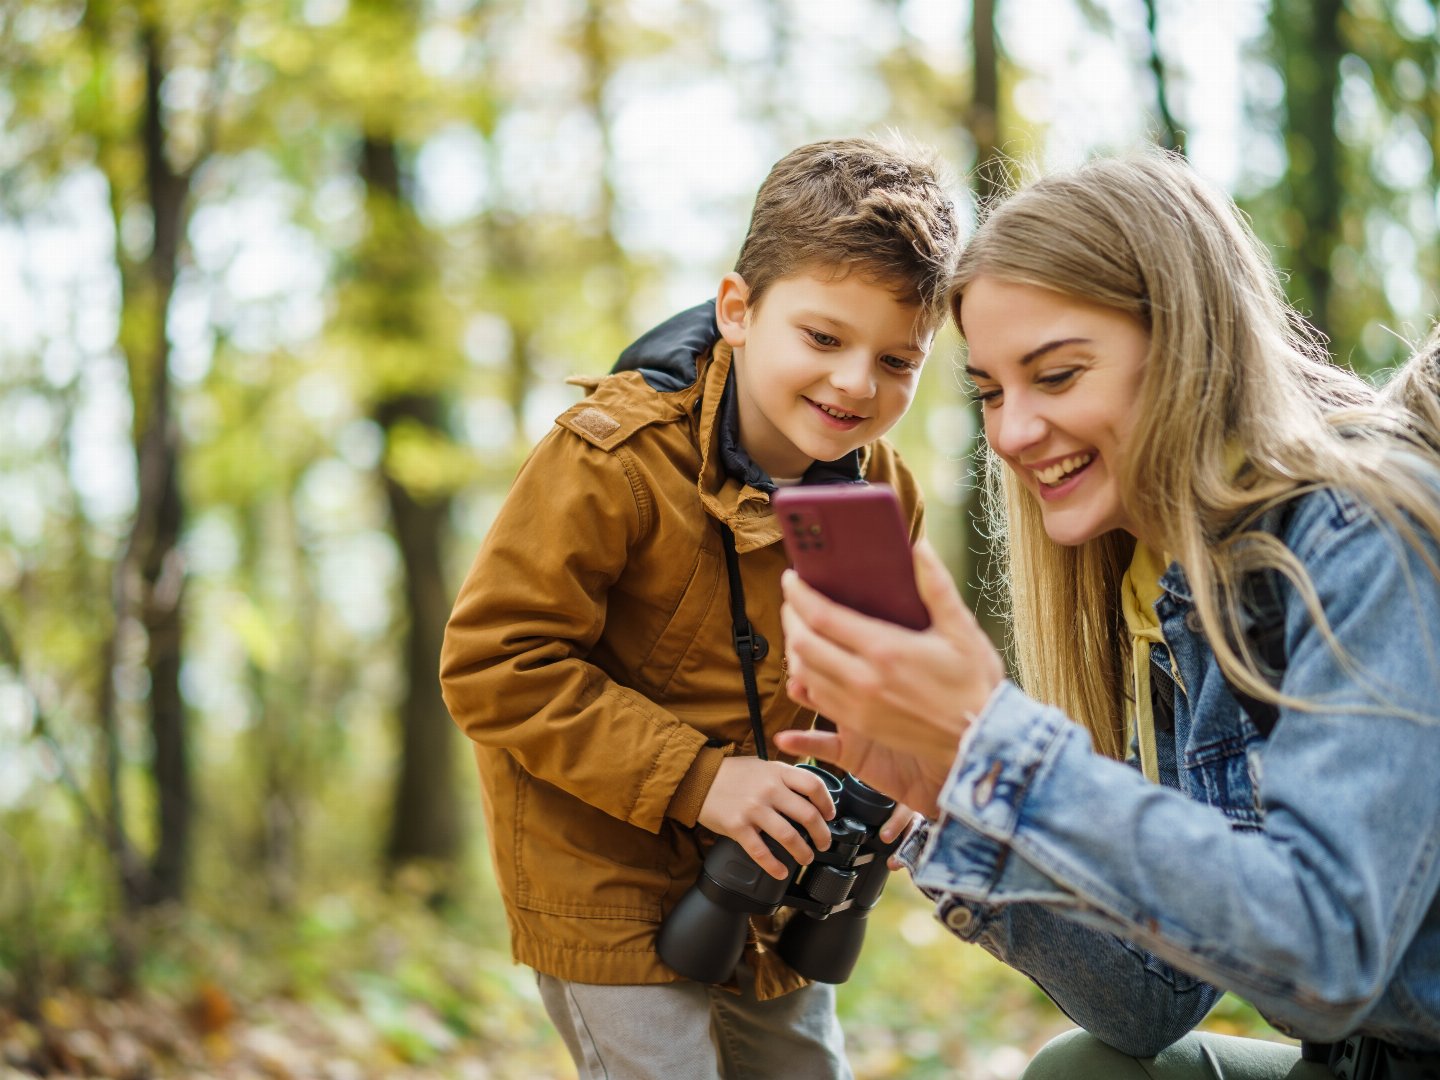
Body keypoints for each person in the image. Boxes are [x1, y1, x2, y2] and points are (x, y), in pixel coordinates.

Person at [774, 150, 1440, 1080]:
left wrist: (1000, 745)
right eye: (993, 391)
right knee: (1079, 1070)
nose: (1010, 433)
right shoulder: (1163, 584)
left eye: (1056, 376)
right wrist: (950, 801)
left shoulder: (1358, 532)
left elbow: (1331, 953)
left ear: (1187, 345)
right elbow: (1147, 1003)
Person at [439, 136, 958, 1080]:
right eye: (823, 338)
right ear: (738, 311)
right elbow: (492, 665)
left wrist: (892, 768)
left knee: (804, 1066)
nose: (856, 383)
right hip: (604, 865)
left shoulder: (878, 491)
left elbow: (873, 675)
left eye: (897, 360)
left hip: (772, 871)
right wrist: (704, 780)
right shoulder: (612, 460)